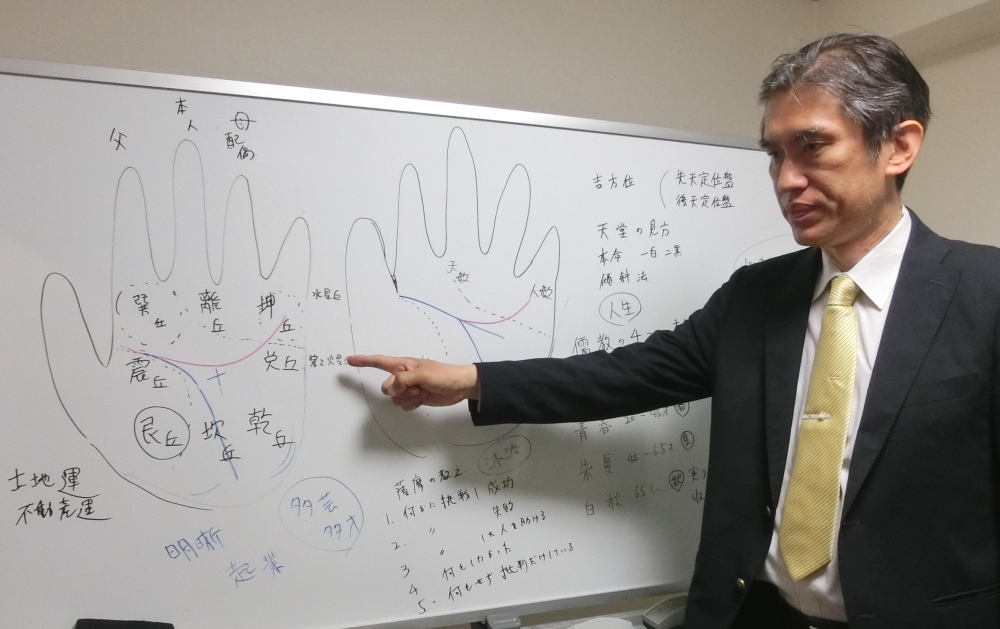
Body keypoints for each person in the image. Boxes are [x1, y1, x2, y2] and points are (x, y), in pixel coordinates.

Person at [350, 33, 1000, 628]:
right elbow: (627, 374)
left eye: (812, 146)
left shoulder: (985, 294)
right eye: (774, 155)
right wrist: (469, 379)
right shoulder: (757, 296)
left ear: (899, 146)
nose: (786, 180)